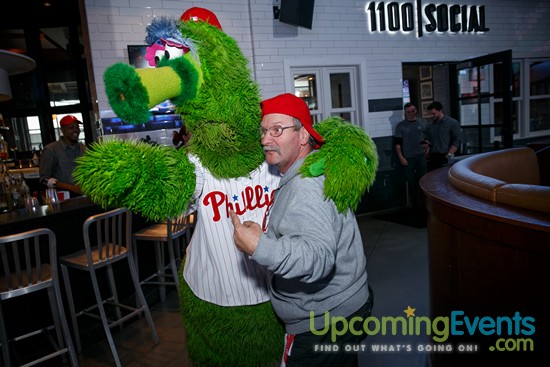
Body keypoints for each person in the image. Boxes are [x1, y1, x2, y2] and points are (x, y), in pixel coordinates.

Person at [230, 93, 373, 367]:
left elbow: (318, 258)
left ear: (304, 135)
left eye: (277, 130)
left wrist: (260, 246)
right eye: (263, 131)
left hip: (321, 325)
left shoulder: (305, 186)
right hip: (347, 307)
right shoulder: (315, 168)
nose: (264, 139)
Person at [39, 115, 86, 196]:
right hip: (64, 199)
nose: (75, 130)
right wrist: (72, 188)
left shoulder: (83, 148)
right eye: (71, 128)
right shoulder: (51, 150)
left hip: (85, 195)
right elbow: (45, 179)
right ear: (62, 130)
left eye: (77, 127)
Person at [394, 102, 428, 205]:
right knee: (411, 180)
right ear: (405, 113)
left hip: (421, 155)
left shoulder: (423, 123)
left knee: (423, 179)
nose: (410, 114)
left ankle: (424, 201)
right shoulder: (401, 126)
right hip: (408, 156)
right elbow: (397, 143)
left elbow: (427, 138)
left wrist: (427, 149)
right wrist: (401, 157)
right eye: (408, 112)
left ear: (416, 111)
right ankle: (414, 202)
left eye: (412, 111)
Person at [422, 101, 462, 171]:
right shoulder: (430, 125)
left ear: (440, 110)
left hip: (446, 155)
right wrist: (426, 146)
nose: (432, 116)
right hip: (433, 157)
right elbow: (427, 139)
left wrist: (449, 155)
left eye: (434, 113)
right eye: (430, 114)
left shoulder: (452, 123)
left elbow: (457, 140)